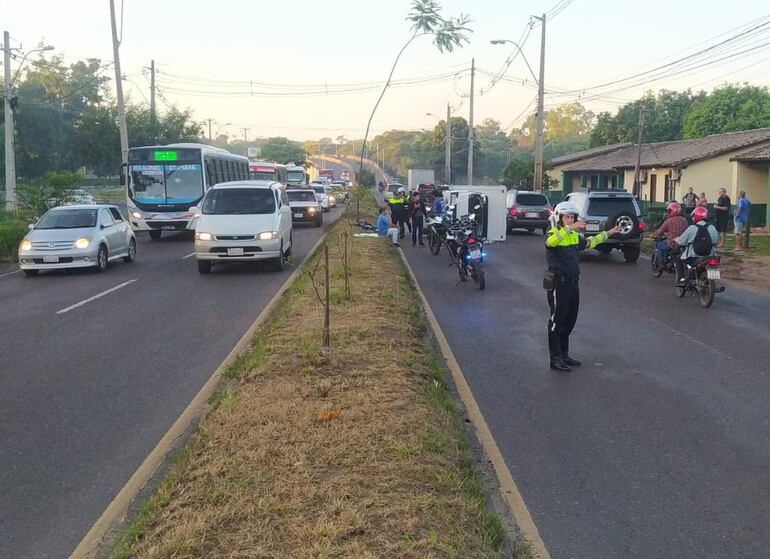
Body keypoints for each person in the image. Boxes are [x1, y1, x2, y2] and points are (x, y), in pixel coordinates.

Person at [544, 202, 620, 372]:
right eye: (567, 217)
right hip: (559, 283)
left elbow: (589, 243)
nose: (571, 220)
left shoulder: (574, 236)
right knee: (557, 321)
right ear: (559, 218)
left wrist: (608, 233)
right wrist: (569, 229)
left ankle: (564, 354)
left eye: (573, 217)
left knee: (570, 319)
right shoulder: (555, 232)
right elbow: (550, 242)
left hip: (573, 282)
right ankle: (555, 359)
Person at [673, 206, 719, 285]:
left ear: (695, 216)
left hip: (693, 256)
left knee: (678, 259)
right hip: (710, 255)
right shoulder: (712, 228)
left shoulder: (692, 228)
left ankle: (682, 279)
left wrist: (675, 239)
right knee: (713, 266)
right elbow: (716, 242)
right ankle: (712, 282)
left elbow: (682, 241)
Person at [651, 202, 688, 268]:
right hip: (682, 243)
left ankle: (661, 264)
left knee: (660, 246)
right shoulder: (684, 220)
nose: (668, 212)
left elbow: (660, 231)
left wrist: (653, 235)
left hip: (672, 243)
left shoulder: (669, 221)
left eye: (669, 211)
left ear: (672, 211)